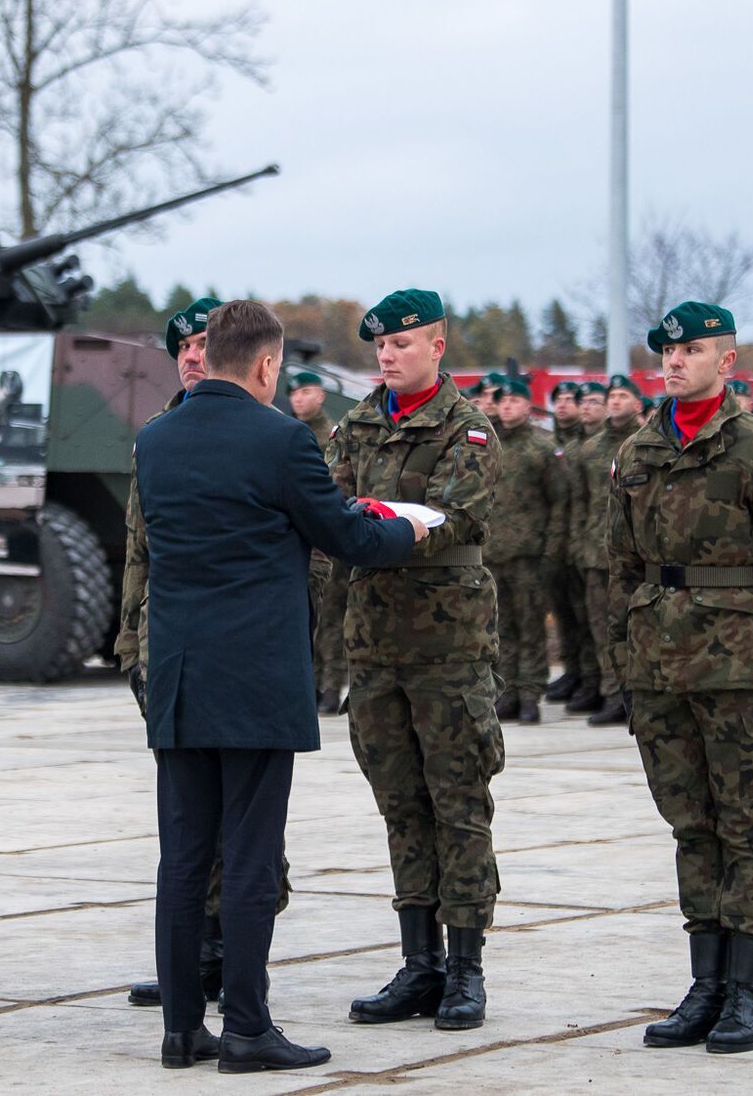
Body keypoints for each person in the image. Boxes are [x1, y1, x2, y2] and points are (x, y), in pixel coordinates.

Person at [135, 300, 422, 1073]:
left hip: (182, 678)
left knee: (184, 860)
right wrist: (412, 528)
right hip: (256, 681)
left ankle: (181, 1029)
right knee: (252, 859)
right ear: (267, 365)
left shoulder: (155, 441)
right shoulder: (282, 439)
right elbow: (349, 536)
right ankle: (249, 1027)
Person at [610, 301, 753, 1056]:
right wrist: (623, 670)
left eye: (691, 350)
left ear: (726, 361)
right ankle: (703, 981)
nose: (674, 362)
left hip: (736, 667)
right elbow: (621, 568)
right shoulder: (637, 450)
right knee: (689, 824)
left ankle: (744, 987)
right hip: (659, 667)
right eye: (667, 352)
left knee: (741, 825)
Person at [332, 288, 503, 1032]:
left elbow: (449, 514)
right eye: (381, 345)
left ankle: (465, 968)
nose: (388, 355)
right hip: (374, 646)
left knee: (458, 804)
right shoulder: (357, 424)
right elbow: (325, 502)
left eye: (403, 343)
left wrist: (374, 518)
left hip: (448, 651)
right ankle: (419, 962)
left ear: (438, 345)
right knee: (400, 804)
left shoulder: (467, 430)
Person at [116, 297, 293, 1010]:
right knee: (191, 832)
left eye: (200, 345)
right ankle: (197, 963)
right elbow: (140, 550)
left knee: (243, 839)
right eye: (180, 349)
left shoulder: (270, 432)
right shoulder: (158, 436)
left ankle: (231, 962)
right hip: (173, 650)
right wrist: (132, 640)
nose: (190, 357)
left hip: (245, 655)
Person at [484, 376, 567, 723]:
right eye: (502, 401)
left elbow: (559, 502)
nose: (507, 406)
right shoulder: (487, 446)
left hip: (529, 554)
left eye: (514, 401)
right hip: (493, 552)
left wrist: (551, 551)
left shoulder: (542, 448)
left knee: (531, 626)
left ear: (527, 405)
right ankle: (507, 693)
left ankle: (531, 692)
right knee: (500, 629)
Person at [574, 376, 642, 727]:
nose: (615, 401)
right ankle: (614, 694)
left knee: (638, 628)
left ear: (638, 404)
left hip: (635, 555)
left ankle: (640, 694)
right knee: (603, 628)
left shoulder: (644, 445)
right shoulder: (590, 449)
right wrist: (577, 544)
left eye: (623, 395)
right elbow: (580, 502)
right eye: (611, 395)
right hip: (595, 551)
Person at [290, 370, 349, 714]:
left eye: (306, 392)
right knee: (305, 619)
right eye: (295, 393)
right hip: (300, 544)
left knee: (332, 619)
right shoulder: (286, 433)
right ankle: (309, 685)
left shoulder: (334, 436)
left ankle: (331, 685)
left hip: (329, 540)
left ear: (321, 396)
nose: (299, 399)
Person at [545, 381, 598, 711]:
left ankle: (592, 679)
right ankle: (574, 671)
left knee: (587, 616)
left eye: (570, 399)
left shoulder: (589, 446)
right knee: (564, 613)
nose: (563, 405)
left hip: (584, 541)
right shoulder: (548, 444)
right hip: (556, 541)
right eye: (558, 400)